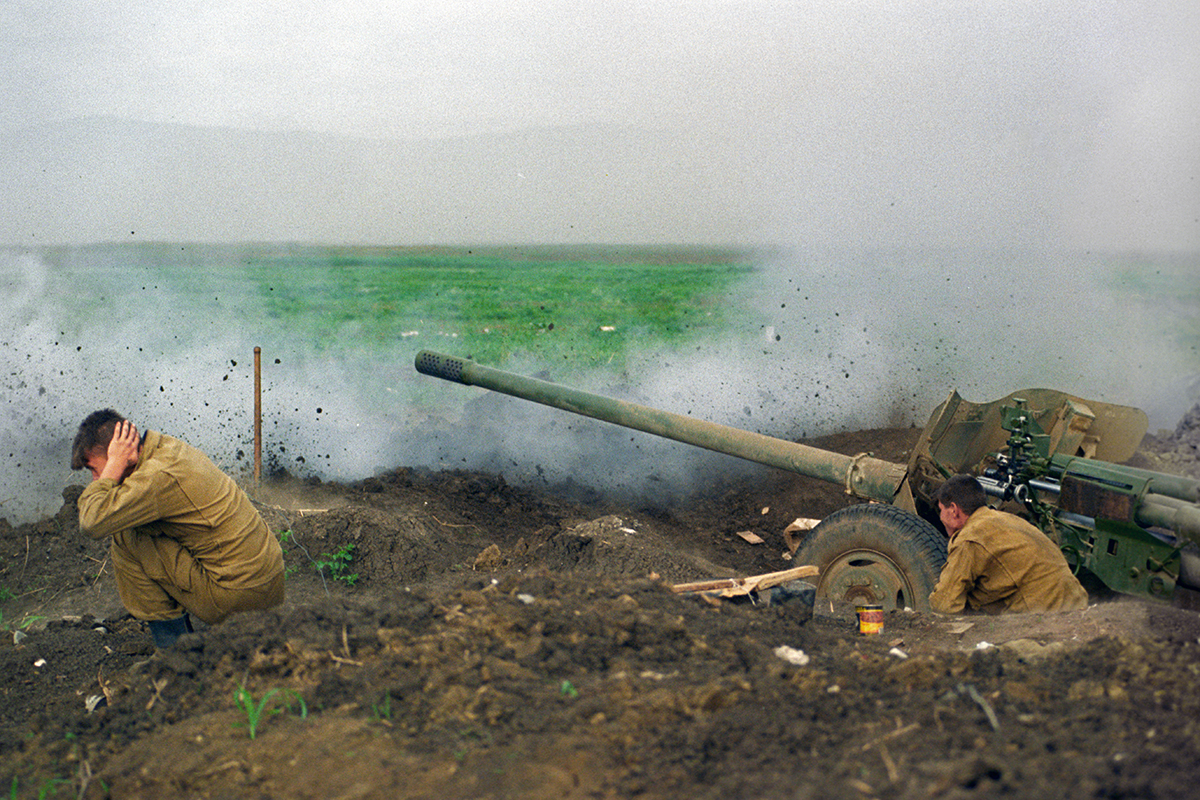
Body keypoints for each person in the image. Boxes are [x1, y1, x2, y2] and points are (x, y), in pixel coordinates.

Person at [70, 409, 285, 647]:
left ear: (119, 452)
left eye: (93, 469)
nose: (95, 480)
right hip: (264, 585)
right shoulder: (166, 450)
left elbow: (92, 521)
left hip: (242, 598)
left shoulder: (157, 476)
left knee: (126, 535)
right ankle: (184, 640)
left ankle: (174, 652)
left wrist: (113, 467)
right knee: (132, 520)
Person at [928, 474, 1088, 614]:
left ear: (954, 510)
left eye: (941, 509)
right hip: (1078, 603)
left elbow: (945, 605)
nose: (941, 516)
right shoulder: (1006, 519)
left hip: (1045, 617)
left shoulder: (969, 538)